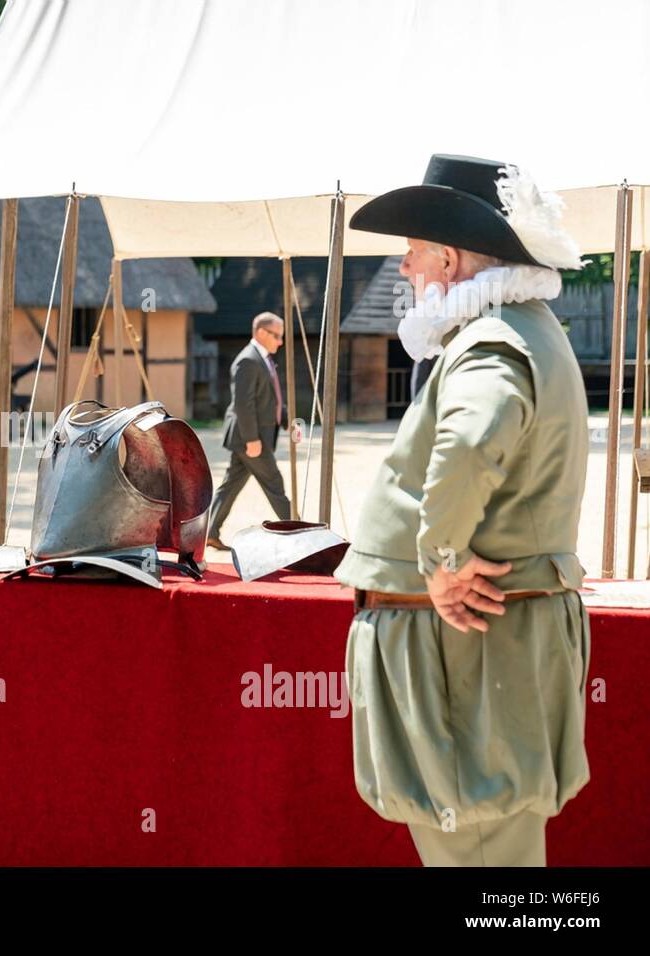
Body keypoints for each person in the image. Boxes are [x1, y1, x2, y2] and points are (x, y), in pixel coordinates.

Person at [335, 154, 591, 866]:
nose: (407, 268)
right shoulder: (518, 331)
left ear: (447, 259)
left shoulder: (492, 341)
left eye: (414, 252)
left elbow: (476, 436)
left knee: (481, 859)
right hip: (474, 651)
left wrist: (440, 559)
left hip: (468, 653)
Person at [206, 312, 291, 549]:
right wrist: (252, 439)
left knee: (230, 485)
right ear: (262, 333)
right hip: (249, 438)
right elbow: (243, 404)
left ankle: (209, 532)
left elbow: (270, 397)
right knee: (275, 484)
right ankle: (301, 534)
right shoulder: (248, 360)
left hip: (253, 437)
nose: (280, 342)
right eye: (277, 336)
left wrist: (286, 420)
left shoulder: (262, 358)